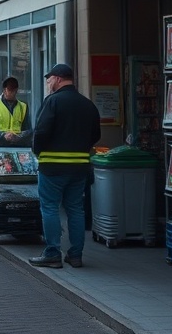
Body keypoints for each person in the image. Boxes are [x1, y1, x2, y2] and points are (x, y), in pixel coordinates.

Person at [28, 63, 101, 270]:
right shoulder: (88, 104)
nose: (48, 83)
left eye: (49, 79)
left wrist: (38, 152)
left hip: (52, 167)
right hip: (79, 168)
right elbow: (96, 135)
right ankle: (75, 255)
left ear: (58, 79)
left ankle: (52, 254)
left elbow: (40, 132)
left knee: (50, 207)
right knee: (75, 209)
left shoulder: (52, 102)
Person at [0, 76, 31, 147]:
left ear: (16, 90)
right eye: (10, 90)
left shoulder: (23, 106)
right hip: (0, 144)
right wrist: (2, 135)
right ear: (4, 90)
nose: (12, 93)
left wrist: (19, 136)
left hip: (19, 145)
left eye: (14, 90)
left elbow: (28, 130)